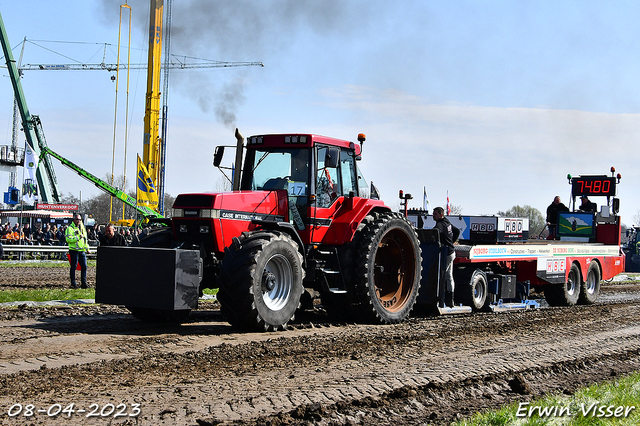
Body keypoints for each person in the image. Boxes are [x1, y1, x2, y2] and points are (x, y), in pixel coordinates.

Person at [433, 206, 457, 307]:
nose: (433, 216)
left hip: (446, 254)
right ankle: (450, 300)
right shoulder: (447, 222)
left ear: (441, 215)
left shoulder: (441, 224)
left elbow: (435, 232)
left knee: (441, 276)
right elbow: (457, 231)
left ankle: (441, 299)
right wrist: (452, 241)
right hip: (451, 252)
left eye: (435, 214)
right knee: (449, 276)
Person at [65, 213, 90, 289]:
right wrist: (77, 237)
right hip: (74, 250)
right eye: (77, 219)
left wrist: (87, 248)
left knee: (84, 267)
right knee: (74, 267)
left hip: (81, 250)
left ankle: (83, 283)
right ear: (74, 220)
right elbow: (68, 239)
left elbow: (85, 239)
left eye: (79, 220)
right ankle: (73, 283)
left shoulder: (82, 228)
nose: (78, 221)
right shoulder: (69, 229)